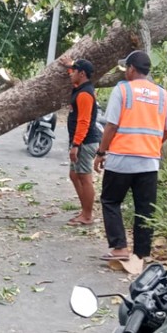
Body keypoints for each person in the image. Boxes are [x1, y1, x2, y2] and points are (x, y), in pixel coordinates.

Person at [94, 50, 167, 261]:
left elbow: (111, 125)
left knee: (111, 201)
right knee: (145, 210)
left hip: (122, 159)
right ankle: (142, 254)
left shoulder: (123, 90)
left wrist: (101, 152)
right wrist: (153, 143)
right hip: (149, 162)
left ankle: (119, 248)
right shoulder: (162, 94)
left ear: (131, 69)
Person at [65, 59, 102, 226]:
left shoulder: (85, 94)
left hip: (85, 142)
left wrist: (76, 145)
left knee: (84, 177)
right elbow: (73, 78)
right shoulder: (80, 88)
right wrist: (69, 65)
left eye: (74, 71)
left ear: (82, 74)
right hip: (79, 141)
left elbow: (84, 122)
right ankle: (84, 210)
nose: (71, 74)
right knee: (74, 175)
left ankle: (87, 215)